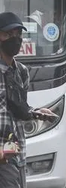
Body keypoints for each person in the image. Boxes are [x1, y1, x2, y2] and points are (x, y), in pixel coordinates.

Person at [0, 12, 55, 188]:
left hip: (16, 151)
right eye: (8, 35)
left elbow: (17, 108)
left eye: (18, 35)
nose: (15, 39)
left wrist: (35, 113)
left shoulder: (21, 71)